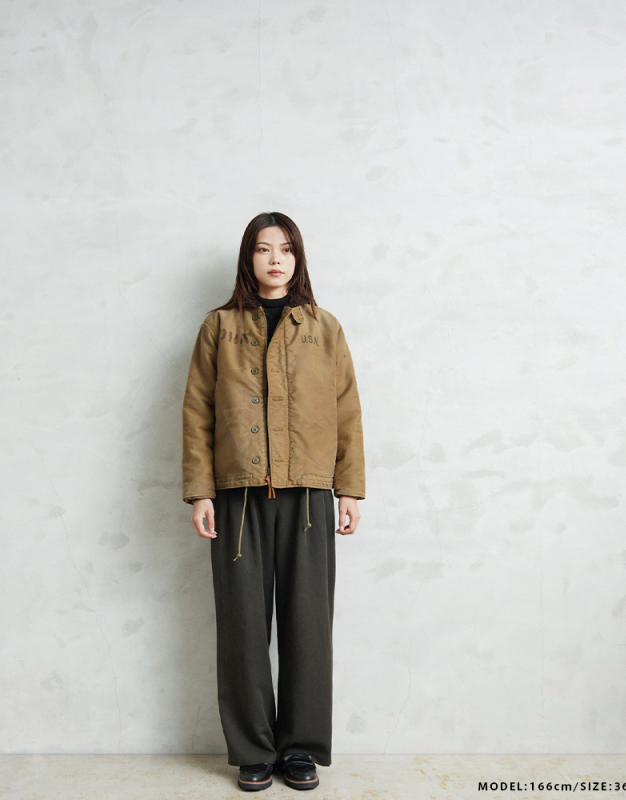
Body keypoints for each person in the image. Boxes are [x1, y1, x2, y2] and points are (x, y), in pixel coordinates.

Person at [181, 211, 366, 791]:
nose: (275, 259)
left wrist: (349, 488)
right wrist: (200, 492)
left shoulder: (324, 328)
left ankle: (301, 748)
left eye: (285, 249)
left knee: (308, 626)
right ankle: (254, 750)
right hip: (237, 497)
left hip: (309, 494)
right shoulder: (219, 327)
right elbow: (197, 412)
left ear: (298, 257)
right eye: (263, 249)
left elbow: (347, 410)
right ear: (249, 258)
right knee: (242, 626)